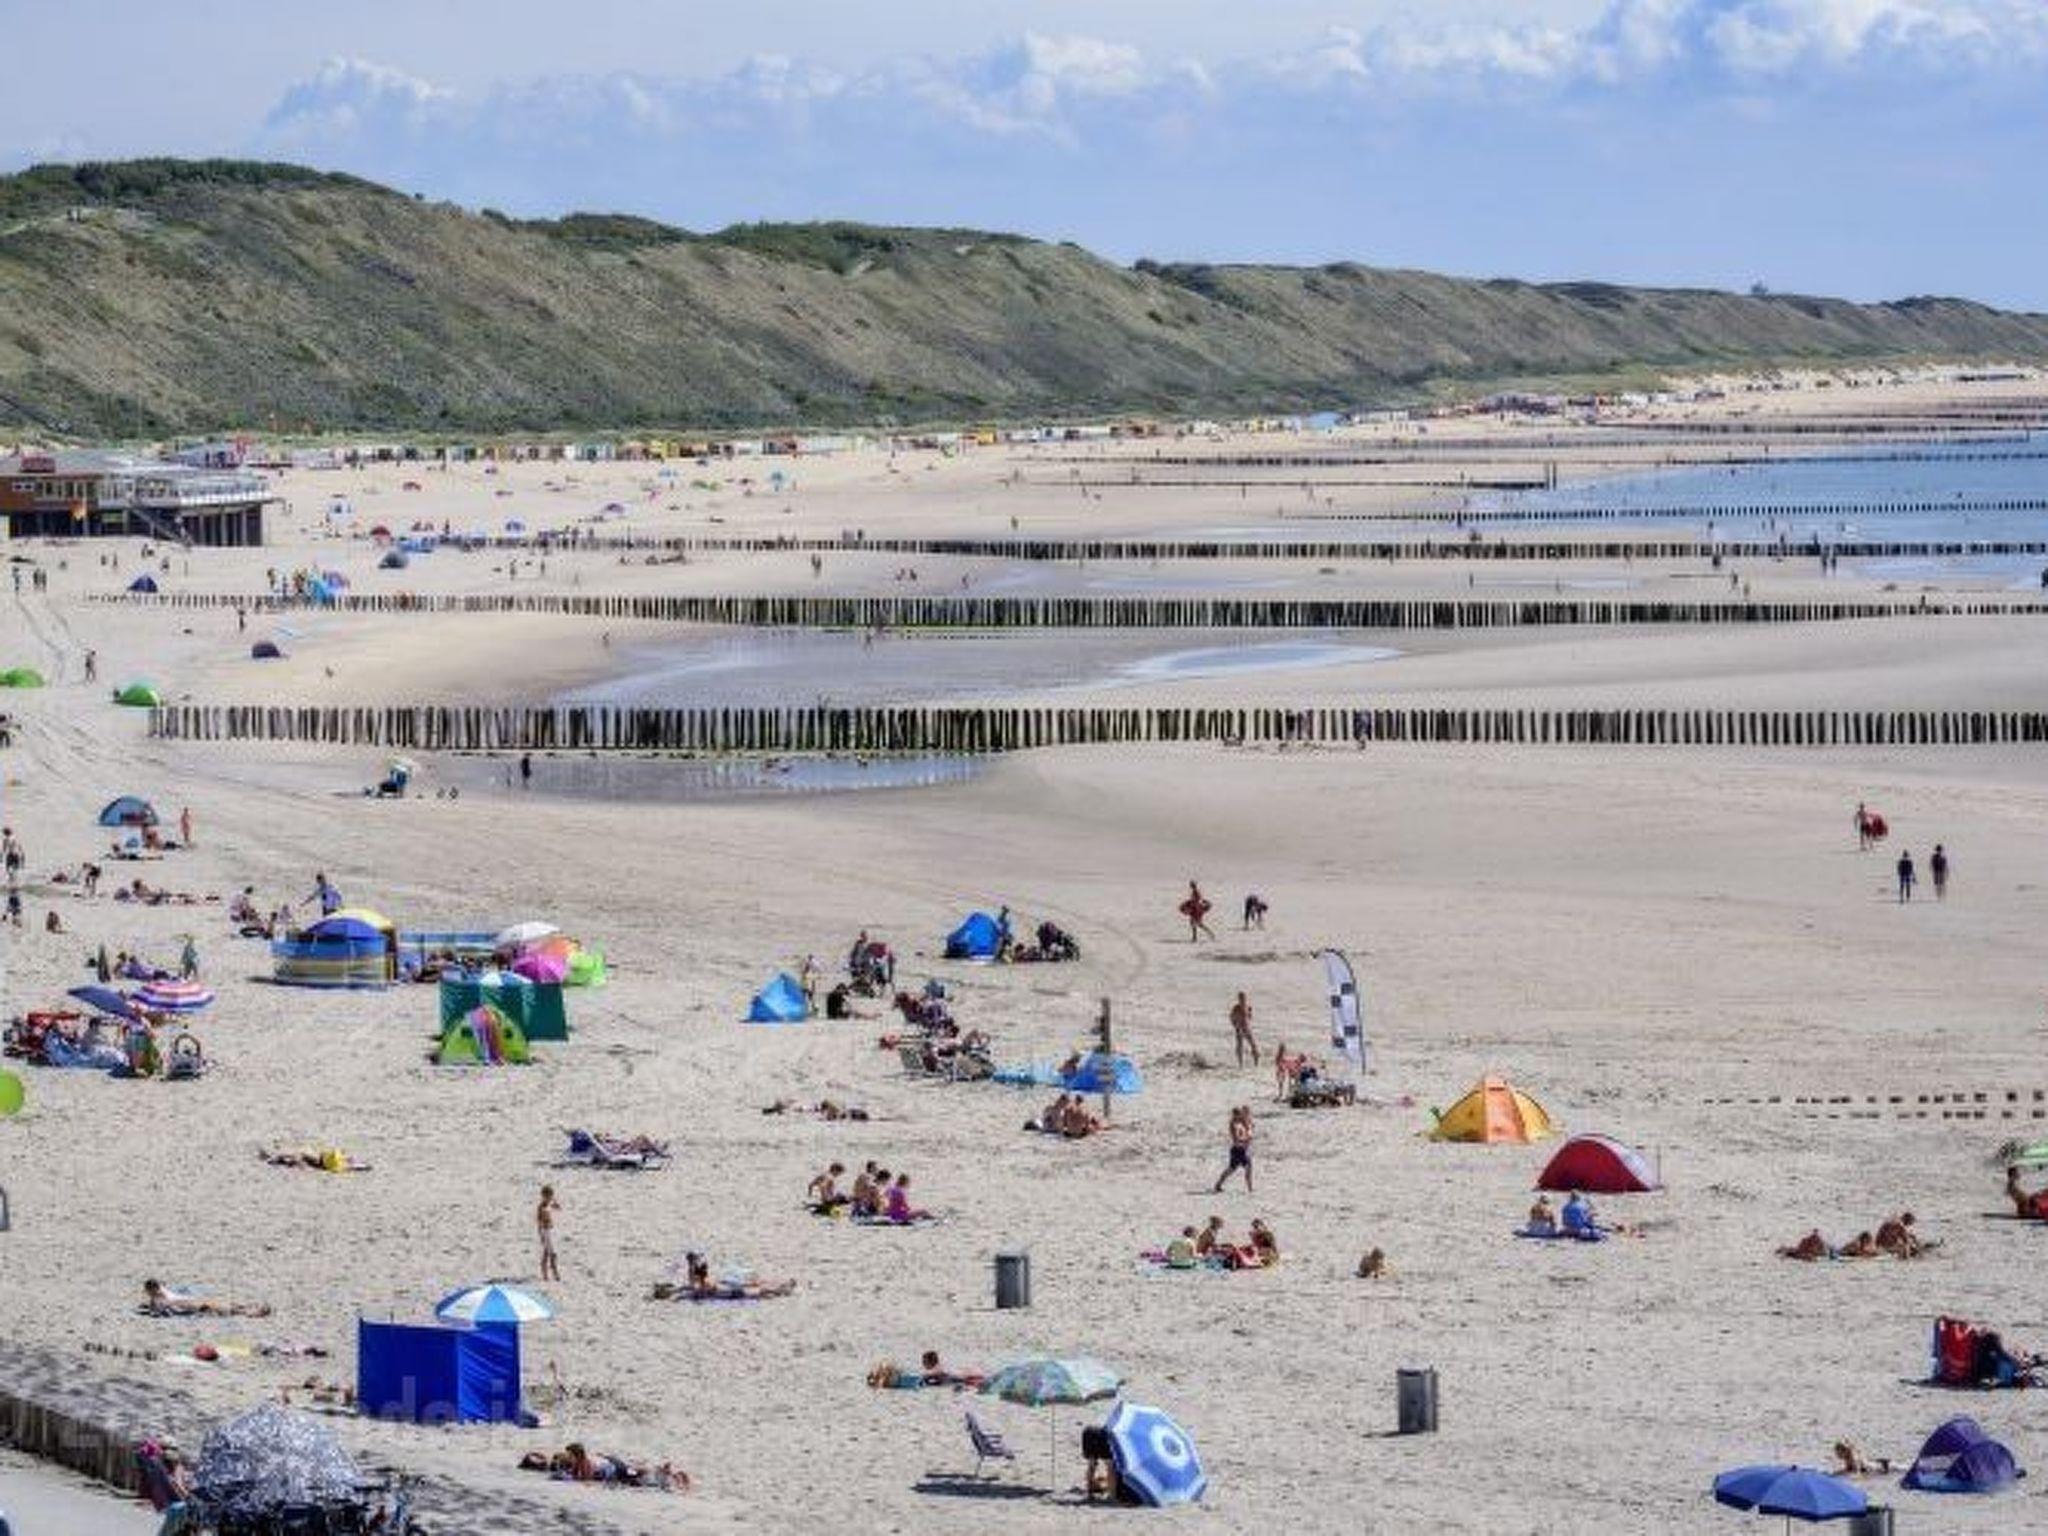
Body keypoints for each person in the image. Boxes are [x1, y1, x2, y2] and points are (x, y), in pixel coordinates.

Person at [1213, 1106, 1253, 1193]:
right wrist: (1245, 1140)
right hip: (1238, 1150)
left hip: (1241, 1149)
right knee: (1237, 1168)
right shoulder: (1234, 1125)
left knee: (1234, 1169)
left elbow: (1248, 1128)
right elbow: (1236, 1139)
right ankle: (1250, 1189)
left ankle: (1218, 1185)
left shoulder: (1241, 1122)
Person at [537, 1184, 561, 1281]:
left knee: (548, 1252)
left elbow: (557, 1207)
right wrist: (543, 1228)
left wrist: (554, 1204)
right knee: (550, 1253)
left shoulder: (548, 1204)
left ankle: (548, 1273)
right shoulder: (541, 1206)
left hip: (548, 1231)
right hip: (544, 1231)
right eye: (548, 1196)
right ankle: (553, 1273)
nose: (549, 1198)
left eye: (550, 1196)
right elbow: (539, 1219)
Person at [1229, 990, 1259, 1067]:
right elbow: (1231, 1017)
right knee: (1240, 1047)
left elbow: (1250, 1017)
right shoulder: (1236, 1008)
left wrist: (1247, 1020)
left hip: (1247, 1029)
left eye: (1244, 998)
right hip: (1239, 1029)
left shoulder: (1248, 1007)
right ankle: (1240, 1064)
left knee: (1253, 1045)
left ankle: (1256, 1062)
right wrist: (1236, 1025)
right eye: (1241, 998)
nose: (1242, 1000)